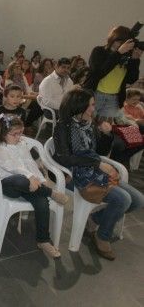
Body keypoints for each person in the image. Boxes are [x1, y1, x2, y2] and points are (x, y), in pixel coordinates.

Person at [53, 88, 144, 260]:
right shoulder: (63, 126)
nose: (94, 109)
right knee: (123, 199)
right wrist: (98, 164)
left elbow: (100, 151)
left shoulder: (90, 123)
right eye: (91, 105)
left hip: (95, 171)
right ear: (79, 106)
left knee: (138, 200)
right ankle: (102, 236)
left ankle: (95, 219)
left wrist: (107, 134)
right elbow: (65, 158)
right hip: (74, 175)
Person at [0, 114, 68, 258]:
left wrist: (39, 179)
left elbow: (30, 163)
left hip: (28, 185)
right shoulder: (0, 149)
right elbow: (13, 167)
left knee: (42, 202)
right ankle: (51, 192)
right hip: (8, 185)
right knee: (21, 180)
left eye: (20, 133)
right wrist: (30, 177)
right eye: (15, 134)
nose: (19, 137)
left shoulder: (21, 145)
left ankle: (43, 240)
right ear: (3, 133)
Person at [85, 26, 142, 119]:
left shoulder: (127, 57)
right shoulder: (99, 51)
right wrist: (118, 53)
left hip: (114, 98)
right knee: (89, 123)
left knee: (106, 128)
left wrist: (135, 60)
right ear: (113, 39)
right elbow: (99, 72)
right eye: (119, 42)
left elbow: (131, 79)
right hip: (95, 94)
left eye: (124, 43)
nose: (121, 45)